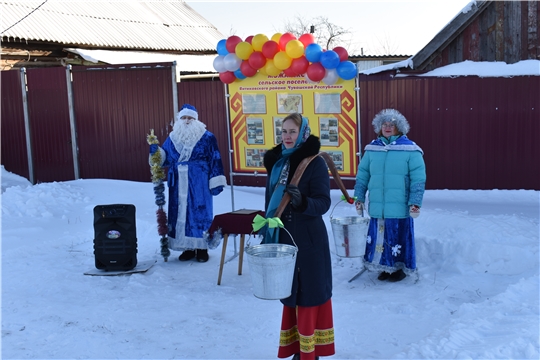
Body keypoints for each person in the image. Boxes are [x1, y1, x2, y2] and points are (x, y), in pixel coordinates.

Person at [263, 113, 335, 360]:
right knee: (291, 295)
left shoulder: (314, 163)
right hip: (285, 238)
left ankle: (310, 352)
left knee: (308, 297)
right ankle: (296, 349)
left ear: (302, 133)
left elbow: (323, 202)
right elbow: (270, 200)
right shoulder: (278, 163)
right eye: (284, 131)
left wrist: (303, 202)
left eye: (292, 131)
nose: (287, 136)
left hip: (309, 241)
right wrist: (267, 227)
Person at [353, 108, 426, 282]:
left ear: (399, 128)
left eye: (391, 125)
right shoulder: (372, 150)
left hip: (399, 207)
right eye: (384, 124)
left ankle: (398, 269)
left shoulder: (410, 150)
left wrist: (415, 202)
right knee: (381, 239)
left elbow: (418, 178)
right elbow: (363, 175)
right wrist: (359, 197)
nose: (387, 127)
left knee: (397, 239)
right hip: (378, 206)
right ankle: (384, 267)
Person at [149, 104, 226, 262]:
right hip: (177, 182)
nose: (187, 121)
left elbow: (215, 158)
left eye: (190, 118)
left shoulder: (207, 137)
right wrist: (156, 153)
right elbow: (165, 159)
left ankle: (202, 248)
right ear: (178, 120)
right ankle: (187, 248)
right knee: (179, 213)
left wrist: (216, 181)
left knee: (200, 214)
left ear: (196, 120)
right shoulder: (172, 138)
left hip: (199, 183)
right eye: (183, 117)